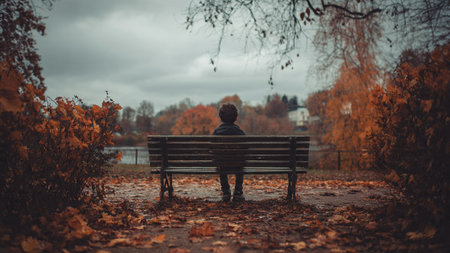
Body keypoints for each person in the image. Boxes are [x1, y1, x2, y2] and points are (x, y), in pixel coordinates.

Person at [212, 103, 245, 202]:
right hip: (238, 164)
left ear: (221, 118)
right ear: (235, 118)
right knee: (240, 164)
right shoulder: (239, 132)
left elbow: (212, 148)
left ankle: (226, 191)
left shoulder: (217, 132)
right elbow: (246, 147)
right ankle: (238, 192)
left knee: (221, 163)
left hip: (223, 164)